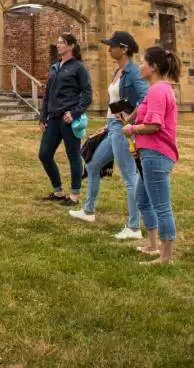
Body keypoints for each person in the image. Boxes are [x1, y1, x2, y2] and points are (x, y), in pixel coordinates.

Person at [68, 31, 148, 240]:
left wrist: (130, 118)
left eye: (112, 46)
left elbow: (146, 98)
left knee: (130, 177)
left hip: (121, 130)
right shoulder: (118, 71)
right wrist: (109, 123)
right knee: (93, 165)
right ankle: (88, 211)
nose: (109, 49)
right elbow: (116, 103)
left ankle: (134, 228)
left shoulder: (132, 73)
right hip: (112, 127)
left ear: (123, 49)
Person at [122, 45, 181, 264]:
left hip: (156, 154)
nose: (140, 66)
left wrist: (132, 129)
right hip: (150, 154)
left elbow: (154, 125)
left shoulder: (158, 90)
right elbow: (145, 114)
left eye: (144, 62)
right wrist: (131, 117)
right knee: (142, 199)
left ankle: (166, 257)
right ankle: (153, 245)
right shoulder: (158, 89)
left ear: (153, 67)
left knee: (161, 206)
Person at [38, 32, 93, 207]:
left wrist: (75, 113)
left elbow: (87, 94)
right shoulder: (55, 68)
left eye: (62, 42)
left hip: (69, 119)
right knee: (44, 154)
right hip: (53, 119)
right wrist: (42, 117)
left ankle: (75, 195)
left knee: (73, 156)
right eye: (58, 42)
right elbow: (47, 94)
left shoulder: (79, 67)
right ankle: (58, 191)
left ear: (71, 46)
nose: (58, 45)